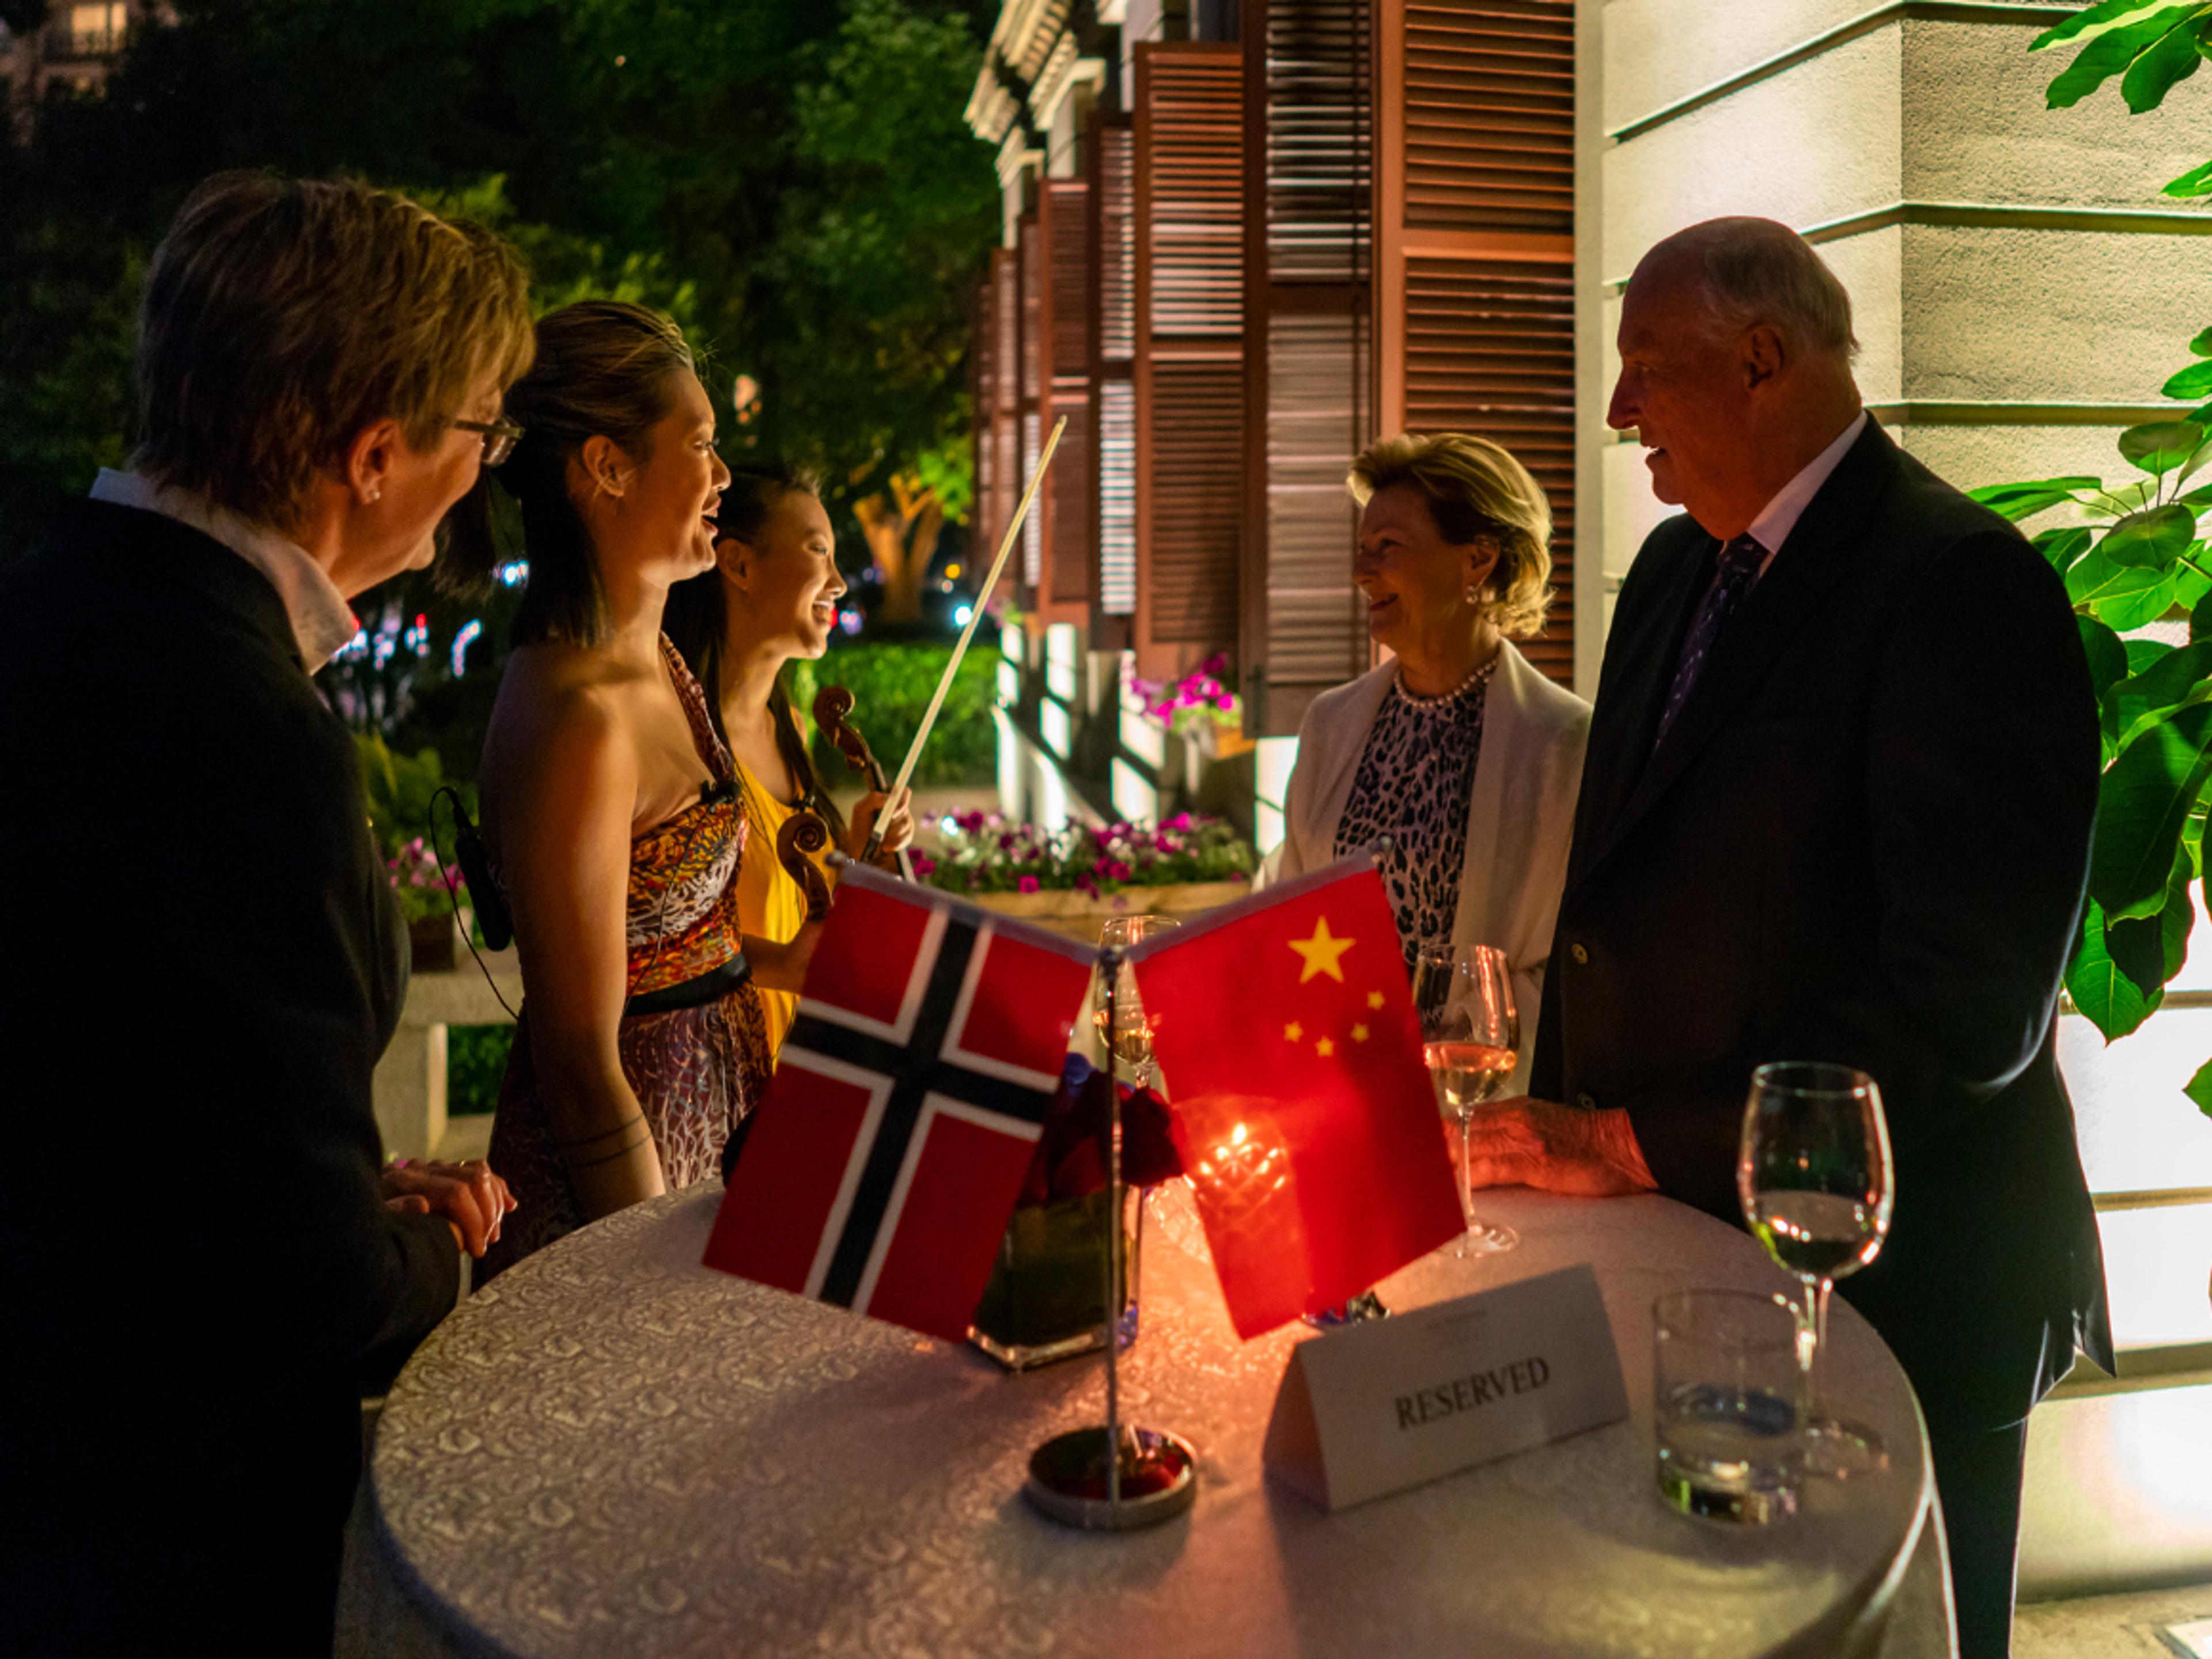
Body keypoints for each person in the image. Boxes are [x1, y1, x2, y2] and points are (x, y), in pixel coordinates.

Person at [1465, 217, 2109, 1657]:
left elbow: (1964, 1004)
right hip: (1676, 1266)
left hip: (1901, 1288)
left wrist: (1628, 1139)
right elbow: (1608, 903)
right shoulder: (1669, 572)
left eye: (1644, 366)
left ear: (1761, 360)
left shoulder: (1960, 581)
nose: (1617, 408)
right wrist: (1559, 1150)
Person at [0, 172, 528, 1656]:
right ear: (374, 453)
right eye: (483, 432)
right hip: (149, 1528)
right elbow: (296, 1293)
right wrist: (444, 1254)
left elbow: (120, 1100)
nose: (484, 472)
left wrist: (329, 1187)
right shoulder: (241, 724)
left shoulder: (43, 613)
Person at [469, 302, 815, 1277]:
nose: (723, 476)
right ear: (607, 466)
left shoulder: (661, 659)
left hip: (717, 1141)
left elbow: (666, 943)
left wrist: (783, 962)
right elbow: (580, 1064)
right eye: (700, 445)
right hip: (627, 1199)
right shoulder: (576, 715)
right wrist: (655, 1283)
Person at [1268, 431, 1591, 1084]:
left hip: (1474, 1102)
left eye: (1388, 547)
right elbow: (1286, 915)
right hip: (1332, 1085)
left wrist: (1441, 1054)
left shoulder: (1564, 746)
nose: (1361, 573)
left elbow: (1567, 971)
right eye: (1362, 548)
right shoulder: (1329, 724)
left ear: (1478, 560)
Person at [664, 463, 915, 1054]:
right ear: (738, 564)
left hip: (794, 1070)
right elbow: (647, 939)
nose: (839, 583)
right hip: (715, 1074)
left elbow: (806, 930)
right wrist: (778, 965)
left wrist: (858, 856)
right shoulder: (676, 740)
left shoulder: (793, 731)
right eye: (818, 552)